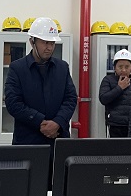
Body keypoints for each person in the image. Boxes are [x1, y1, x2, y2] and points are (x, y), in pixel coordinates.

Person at [4, 17, 78, 153]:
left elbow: (71, 98)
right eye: (45, 42)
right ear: (32, 42)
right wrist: (40, 121)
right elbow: (13, 103)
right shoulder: (17, 68)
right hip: (28, 142)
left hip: (58, 140)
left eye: (52, 43)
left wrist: (57, 122)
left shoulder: (62, 67)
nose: (49, 48)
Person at [98, 49, 131, 137]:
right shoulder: (108, 80)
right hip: (115, 124)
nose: (123, 70)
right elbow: (103, 99)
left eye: (127, 67)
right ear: (114, 67)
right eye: (120, 67)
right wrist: (119, 88)